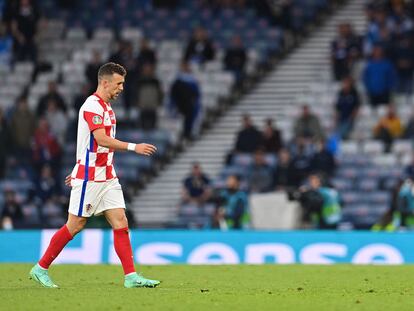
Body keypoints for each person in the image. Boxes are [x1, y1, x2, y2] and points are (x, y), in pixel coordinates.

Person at [29, 62, 160, 288]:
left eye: (123, 84)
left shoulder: (107, 108)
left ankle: (131, 277)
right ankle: (40, 268)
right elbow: (101, 139)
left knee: (121, 222)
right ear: (105, 82)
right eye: (118, 84)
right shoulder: (92, 106)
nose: (121, 88)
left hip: (107, 175)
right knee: (75, 225)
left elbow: (88, 143)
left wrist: (78, 164)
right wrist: (133, 147)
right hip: (90, 177)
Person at [170, 61, 201, 140]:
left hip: (189, 104)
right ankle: (183, 135)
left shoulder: (192, 80)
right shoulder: (178, 81)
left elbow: (196, 93)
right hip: (181, 104)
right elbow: (174, 94)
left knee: (190, 118)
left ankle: (187, 133)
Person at [136, 63, 163, 130]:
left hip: (152, 106)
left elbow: (160, 93)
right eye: (146, 69)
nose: (147, 71)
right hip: (143, 106)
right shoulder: (139, 81)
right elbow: (136, 93)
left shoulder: (156, 82)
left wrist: (159, 102)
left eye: (149, 69)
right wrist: (137, 102)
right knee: (142, 126)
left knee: (153, 126)